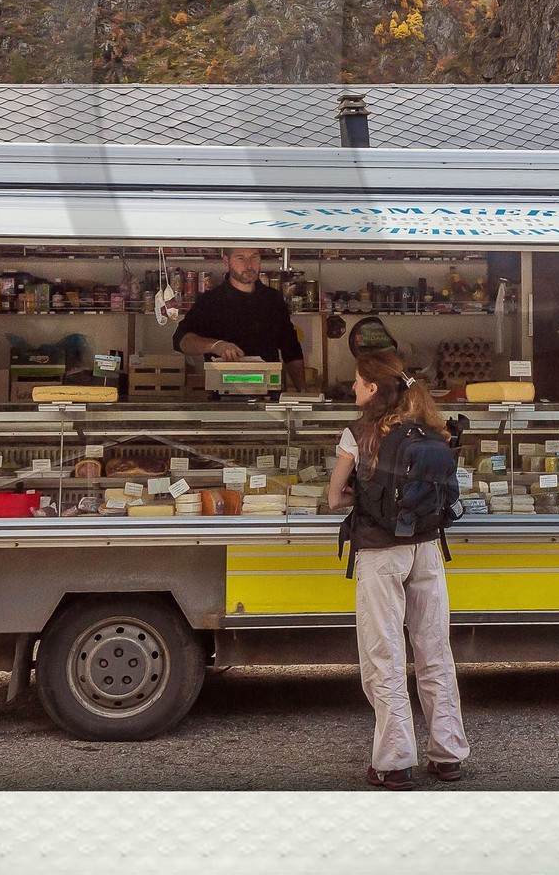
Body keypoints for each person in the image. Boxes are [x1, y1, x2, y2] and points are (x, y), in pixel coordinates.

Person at [327, 350, 470, 789]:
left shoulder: (358, 434)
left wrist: (365, 497)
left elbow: (335, 498)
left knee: (385, 654)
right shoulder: (432, 428)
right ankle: (448, 755)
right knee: (434, 651)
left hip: (380, 553)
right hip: (426, 547)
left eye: (356, 382)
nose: (352, 388)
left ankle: (394, 762)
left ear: (372, 388)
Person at [171, 248, 306, 391]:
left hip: (269, 396)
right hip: (224, 397)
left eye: (254, 257)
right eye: (240, 258)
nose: (249, 265)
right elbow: (180, 340)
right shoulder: (210, 301)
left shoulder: (273, 299)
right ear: (226, 261)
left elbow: (291, 349)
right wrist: (215, 345)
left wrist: (302, 391)